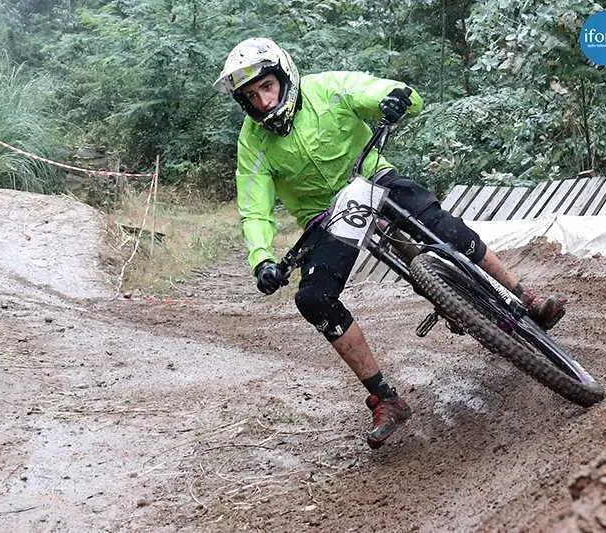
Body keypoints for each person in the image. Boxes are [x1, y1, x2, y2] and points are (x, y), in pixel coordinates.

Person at [213, 37, 566, 449]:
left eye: (267, 87)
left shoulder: (328, 88)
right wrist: (262, 260)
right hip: (326, 218)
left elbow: (383, 92)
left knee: (445, 229)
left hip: (371, 177)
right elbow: (254, 208)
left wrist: (396, 99)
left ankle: (525, 297)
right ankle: (385, 398)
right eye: (252, 96)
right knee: (312, 298)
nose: (264, 102)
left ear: (284, 76)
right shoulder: (253, 141)